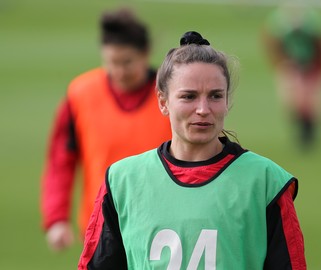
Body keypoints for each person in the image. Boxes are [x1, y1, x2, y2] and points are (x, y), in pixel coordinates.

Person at [78, 31, 306, 269]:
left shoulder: (266, 182)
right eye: (189, 96)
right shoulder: (122, 181)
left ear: (227, 101)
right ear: (163, 102)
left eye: (215, 96)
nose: (203, 109)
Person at [40, 7, 172, 251]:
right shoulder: (81, 93)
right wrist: (56, 218)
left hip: (163, 230)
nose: (119, 72)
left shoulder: (173, 97)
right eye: (111, 62)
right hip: (100, 230)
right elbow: (61, 159)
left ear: (145, 53)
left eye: (127, 62)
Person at [262, 5, 321, 149]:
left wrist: (319, 67)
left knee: (310, 102)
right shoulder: (278, 21)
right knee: (292, 101)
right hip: (291, 65)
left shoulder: (313, 22)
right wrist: (282, 62)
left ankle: (309, 134)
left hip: (311, 65)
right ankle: (300, 132)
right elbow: (272, 44)